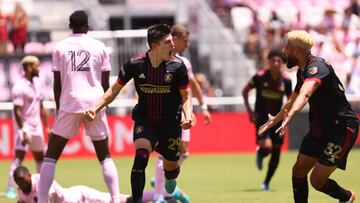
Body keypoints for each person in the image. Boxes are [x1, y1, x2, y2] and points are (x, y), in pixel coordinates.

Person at [84, 24, 193, 203]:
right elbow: (114, 90)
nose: (173, 44)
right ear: (154, 45)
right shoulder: (135, 65)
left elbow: (185, 96)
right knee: (140, 159)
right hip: (146, 120)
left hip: (170, 124)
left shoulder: (178, 66)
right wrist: (95, 108)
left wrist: (188, 115)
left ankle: (170, 177)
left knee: (171, 170)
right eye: (168, 42)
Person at [259, 30, 359, 203]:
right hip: (319, 128)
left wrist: (289, 118)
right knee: (298, 171)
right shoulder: (302, 72)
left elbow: (305, 95)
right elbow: (293, 101)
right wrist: (275, 120)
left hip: (341, 129)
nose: (283, 51)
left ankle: (347, 197)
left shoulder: (317, 68)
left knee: (317, 181)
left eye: (286, 47)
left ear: (297, 51)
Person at [38, 10, 120, 203]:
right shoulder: (99, 47)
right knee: (104, 156)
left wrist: (59, 109)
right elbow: (106, 83)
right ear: (87, 26)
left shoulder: (60, 47)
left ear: (70, 26)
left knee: (51, 157)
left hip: (70, 102)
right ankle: (115, 199)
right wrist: (103, 107)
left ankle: (42, 201)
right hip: (95, 103)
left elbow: (57, 83)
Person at [150, 24, 211, 203]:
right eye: (186, 39)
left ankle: (163, 184)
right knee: (166, 152)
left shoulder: (184, 63)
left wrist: (203, 107)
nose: (188, 44)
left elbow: (193, 85)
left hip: (183, 113)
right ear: (174, 39)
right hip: (167, 114)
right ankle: (160, 194)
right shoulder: (158, 60)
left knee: (183, 151)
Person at [242, 49, 292, 191]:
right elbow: (245, 91)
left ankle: (266, 182)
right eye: (273, 60)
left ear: (282, 63)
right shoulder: (260, 77)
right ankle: (261, 152)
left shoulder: (286, 81)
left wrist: (286, 119)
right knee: (268, 147)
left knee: (276, 151)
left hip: (278, 119)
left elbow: (291, 100)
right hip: (262, 118)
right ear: (268, 62)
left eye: (279, 61)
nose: (276, 63)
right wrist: (250, 112)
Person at [5, 55, 51, 199]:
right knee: (19, 157)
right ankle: (11, 188)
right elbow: (17, 110)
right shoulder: (19, 87)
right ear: (29, 67)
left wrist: (47, 126)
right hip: (25, 127)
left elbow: (41, 106)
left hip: (37, 127)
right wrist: (23, 129)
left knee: (40, 158)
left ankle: (41, 185)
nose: (39, 68)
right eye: (37, 66)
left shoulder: (37, 83)